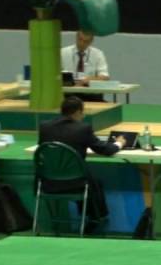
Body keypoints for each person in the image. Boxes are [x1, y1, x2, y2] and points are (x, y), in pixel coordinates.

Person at [37, 97, 127, 226]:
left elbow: (43, 147)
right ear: (78, 112)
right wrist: (119, 143)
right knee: (94, 183)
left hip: (47, 183)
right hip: (76, 183)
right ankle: (97, 218)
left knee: (90, 181)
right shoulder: (82, 129)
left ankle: (93, 217)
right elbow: (106, 150)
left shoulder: (44, 127)